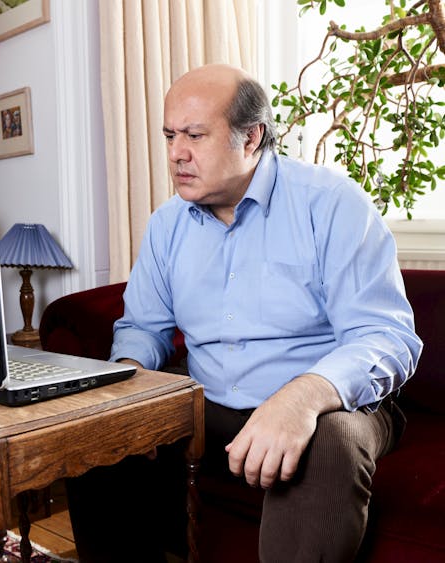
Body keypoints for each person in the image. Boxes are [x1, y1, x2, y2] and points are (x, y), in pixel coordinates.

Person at [65, 64, 422, 562]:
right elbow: (143, 328)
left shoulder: (332, 204)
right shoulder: (168, 225)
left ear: (251, 137)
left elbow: (387, 338)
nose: (175, 154)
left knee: (331, 442)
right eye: (169, 135)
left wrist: (301, 398)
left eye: (194, 135)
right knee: (97, 430)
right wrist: (130, 380)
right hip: (210, 402)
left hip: (332, 403)